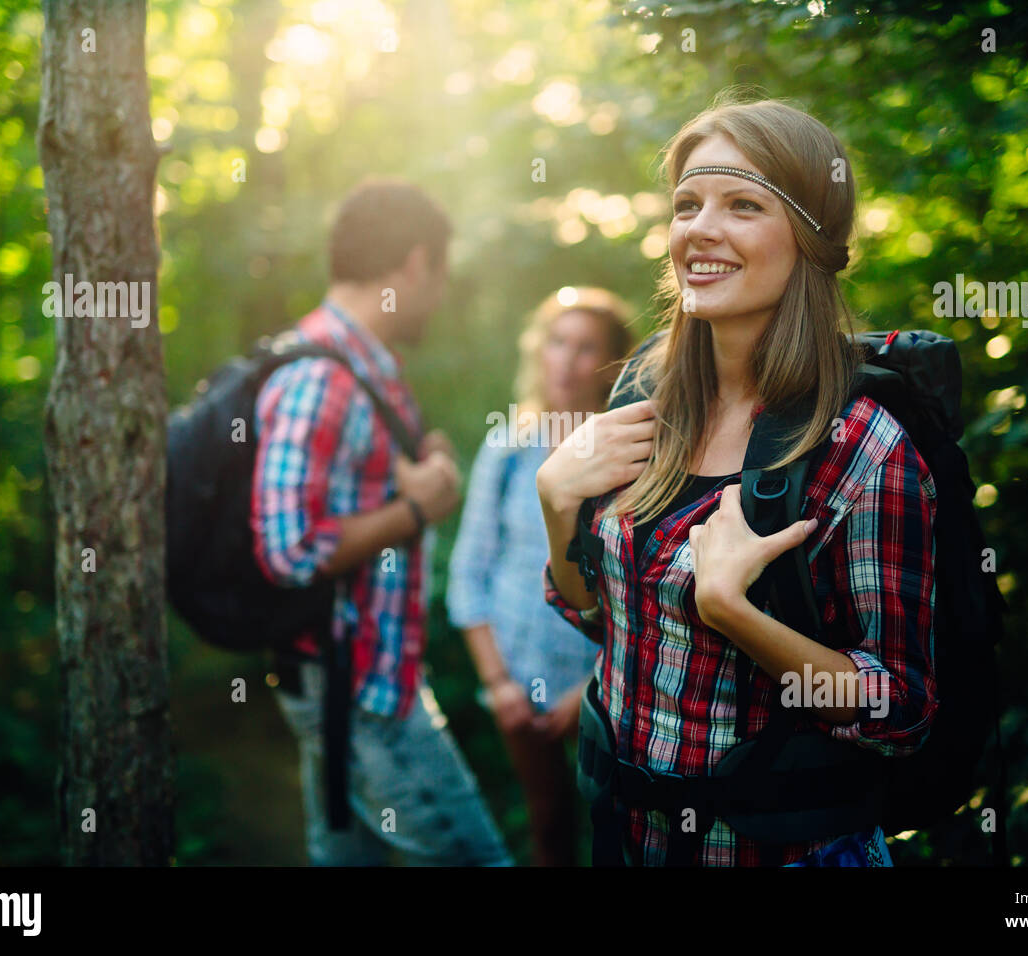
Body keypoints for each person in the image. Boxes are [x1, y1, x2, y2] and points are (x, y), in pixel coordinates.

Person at [535, 97, 939, 866]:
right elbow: (608, 622)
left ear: (809, 240)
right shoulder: (644, 404)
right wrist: (558, 512)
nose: (700, 228)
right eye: (687, 204)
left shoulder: (860, 448)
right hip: (626, 840)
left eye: (743, 204)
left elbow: (903, 711)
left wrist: (735, 614)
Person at [252, 177, 512, 866]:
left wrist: (415, 470)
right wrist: (419, 508)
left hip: (357, 673)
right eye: (441, 274)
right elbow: (290, 550)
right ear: (417, 263)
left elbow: (349, 492)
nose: (439, 294)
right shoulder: (324, 375)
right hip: (357, 685)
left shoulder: (366, 364)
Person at [447, 287, 635, 866]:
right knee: (548, 822)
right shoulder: (506, 447)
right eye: (557, 342)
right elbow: (468, 573)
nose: (567, 359)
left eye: (585, 348)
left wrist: (589, 695)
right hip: (518, 687)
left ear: (610, 366)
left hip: (611, 691)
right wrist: (500, 685)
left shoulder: (630, 456)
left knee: (622, 825)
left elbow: (646, 596)